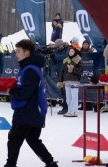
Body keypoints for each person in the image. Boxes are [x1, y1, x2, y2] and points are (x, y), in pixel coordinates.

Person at [5, 39, 58, 167]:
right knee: (32, 139)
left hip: (27, 110)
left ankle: (10, 165)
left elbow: (26, 93)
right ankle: (50, 162)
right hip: (34, 110)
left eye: (18, 51)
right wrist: (15, 84)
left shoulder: (30, 69)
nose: (16, 54)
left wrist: (11, 91)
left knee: (14, 139)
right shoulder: (29, 67)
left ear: (27, 53)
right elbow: (27, 87)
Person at [57, 47, 83, 118]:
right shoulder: (66, 60)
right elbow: (62, 72)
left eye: (72, 51)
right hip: (66, 81)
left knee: (74, 97)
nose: (70, 52)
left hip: (74, 81)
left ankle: (74, 112)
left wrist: (72, 68)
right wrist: (60, 81)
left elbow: (80, 71)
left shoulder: (78, 60)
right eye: (69, 51)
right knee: (68, 98)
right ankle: (69, 111)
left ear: (75, 52)